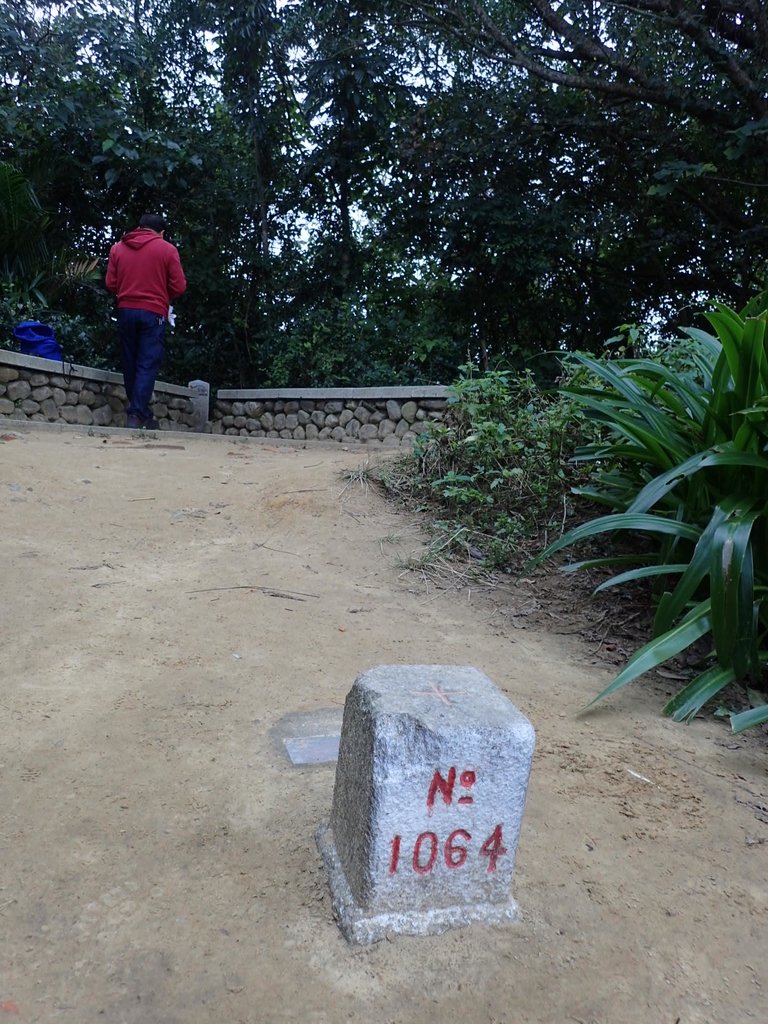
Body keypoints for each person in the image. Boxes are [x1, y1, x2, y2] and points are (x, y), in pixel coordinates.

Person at [105, 213, 186, 429]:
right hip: (153, 313)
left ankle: (141, 413)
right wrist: (160, 293)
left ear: (139, 228)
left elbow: (111, 282)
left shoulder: (117, 248)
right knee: (147, 363)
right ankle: (137, 414)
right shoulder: (167, 249)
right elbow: (179, 286)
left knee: (130, 362)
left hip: (125, 310)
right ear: (161, 232)